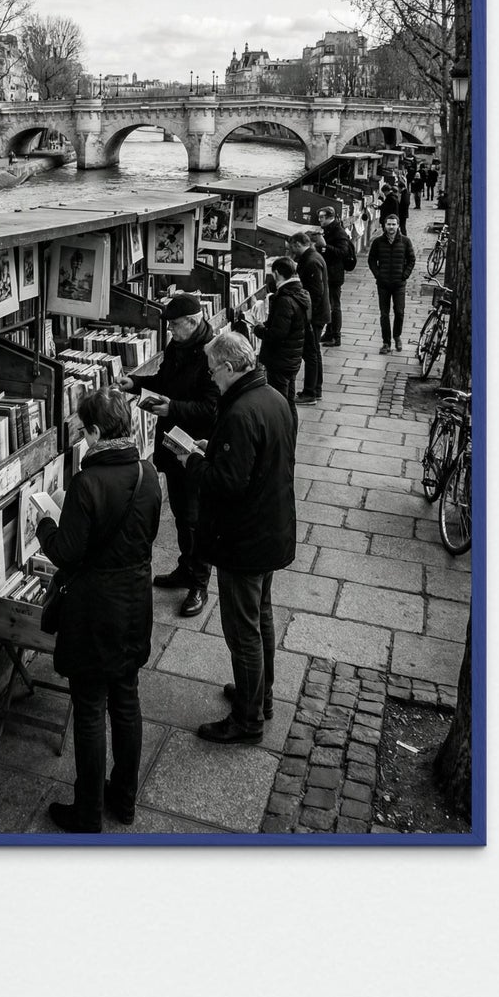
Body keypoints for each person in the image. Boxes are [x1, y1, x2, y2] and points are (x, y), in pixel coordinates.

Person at [34, 386, 162, 833]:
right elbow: (147, 536)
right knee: (126, 699)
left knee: (90, 707)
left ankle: (87, 811)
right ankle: (123, 798)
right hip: (134, 602)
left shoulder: (88, 483)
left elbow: (67, 553)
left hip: (93, 608)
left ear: (93, 431)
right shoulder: (148, 474)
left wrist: (46, 525)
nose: (83, 440)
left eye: (84, 432)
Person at [184, 332, 296, 744]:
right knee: (260, 616)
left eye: (213, 371)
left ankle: (248, 720)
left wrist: (195, 461)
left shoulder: (240, 411)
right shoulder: (273, 398)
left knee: (242, 629)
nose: (211, 378)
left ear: (230, 368)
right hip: (270, 531)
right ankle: (259, 695)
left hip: (244, 539)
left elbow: (226, 483)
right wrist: (214, 447)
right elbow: (257, 457)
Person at [122, 293, 218, 618]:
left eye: (175, 326)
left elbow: (213, 407)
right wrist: (134, 383)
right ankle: (186, 567)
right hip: (172, 443)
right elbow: (164, 380)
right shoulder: (178, 346)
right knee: (181, 513)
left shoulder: (212, 354)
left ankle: (199, 583)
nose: (171, 332)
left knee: (195, 517)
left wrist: (173, 407)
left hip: (195, 447)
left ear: (193, 322)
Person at [252, 255, 310, 413]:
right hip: (292, 357)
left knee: (279, 404)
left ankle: (283, 436)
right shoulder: (299, 293)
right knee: (289, 402)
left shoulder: (284, 299)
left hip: (280, 360)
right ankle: (290, 436)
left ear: (276, 273)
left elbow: (277, 334)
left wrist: (258, 329)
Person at [291, 230, 331, 403]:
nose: (291, 252)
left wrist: (306, 315)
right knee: (314, 353)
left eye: (292, 248)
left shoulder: (311, 261)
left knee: (311, 354)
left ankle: (309, 393)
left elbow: (315, 293)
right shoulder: (312, 257)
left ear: (298, 244)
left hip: (314, 316)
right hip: (317, 314)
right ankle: (316, 389)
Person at [368, 212, 415, 354]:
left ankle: (397, 336)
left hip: (399, 284)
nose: (391, 227)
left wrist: (404, 275)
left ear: (398, 225)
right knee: (384, 314)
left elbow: (411, 260)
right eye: (388, 224)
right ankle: (386, 342)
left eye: (394, 224)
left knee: (399, 312)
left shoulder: (405, 241)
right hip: (383, 283)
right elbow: (371, 260)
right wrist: (378, 274)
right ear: (384, 225)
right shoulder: (377, 242)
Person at [318, 204, 356, 345]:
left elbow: (343, 252)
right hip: (330, 273)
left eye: (322, 217)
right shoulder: (329, 229)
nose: (319, 220)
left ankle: (336, 336)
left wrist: (324, 246)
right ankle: (329, 333)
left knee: (334, 305)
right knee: (330, 304)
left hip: (334, 274)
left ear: (330, 218)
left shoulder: (338, 232)